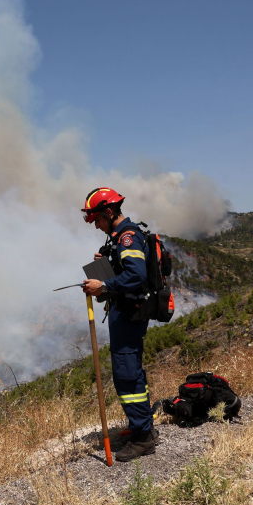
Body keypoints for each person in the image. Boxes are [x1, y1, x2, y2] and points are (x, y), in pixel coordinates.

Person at [80, 187, 157, 462]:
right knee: (132, 370)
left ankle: (143, 438)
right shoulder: (118, 239)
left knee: (126, 373)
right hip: (125, 312)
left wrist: (104, 285)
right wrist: (109, 264)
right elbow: (128, 270)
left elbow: (135, 276)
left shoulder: (127, 237)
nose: (96, 225)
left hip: (129, 315)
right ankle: (143, 425)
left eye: (97, 219)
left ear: (108, 212)